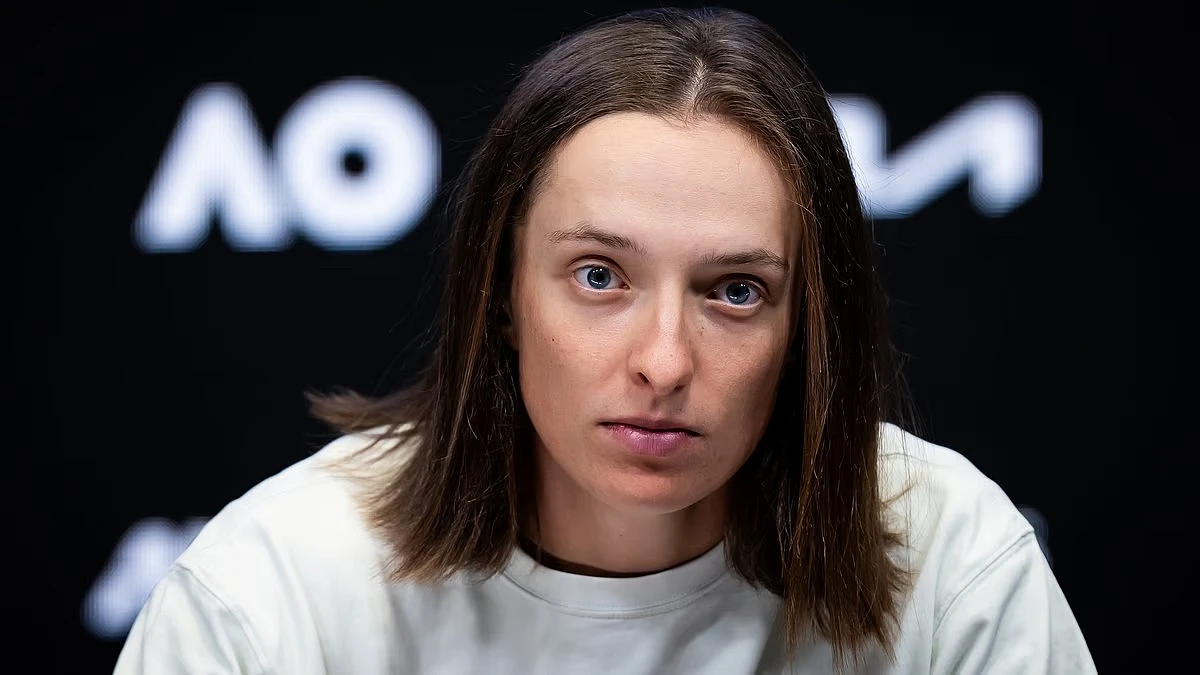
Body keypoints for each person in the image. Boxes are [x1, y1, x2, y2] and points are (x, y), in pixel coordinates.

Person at [114, 7, 1096, 674]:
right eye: (599, 277)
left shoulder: (950, 560)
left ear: (809, 327)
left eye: (737, 291)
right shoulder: (276, 588)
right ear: (501, 293)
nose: (664, 362)